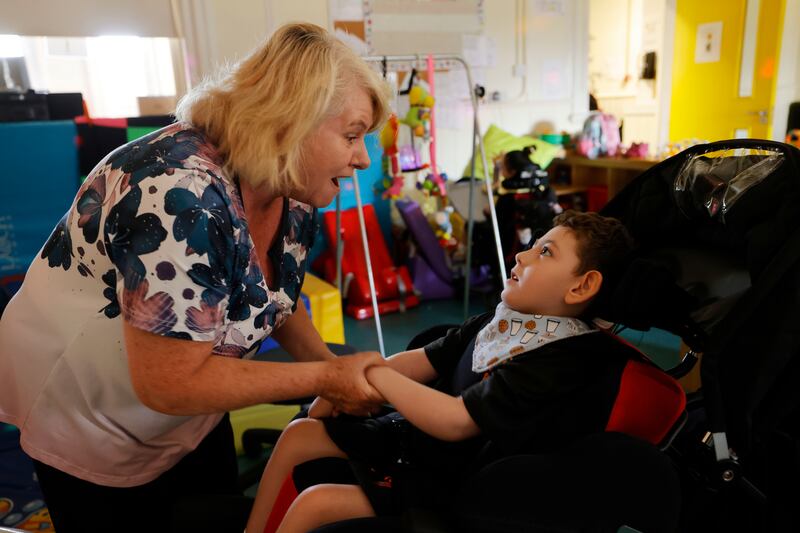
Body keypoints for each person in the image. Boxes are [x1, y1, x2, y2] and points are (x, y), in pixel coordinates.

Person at [0, 23, 391, 533]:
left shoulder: (290, 191)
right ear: (291, 120)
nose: (362, 157)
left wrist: (330, 372)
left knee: (207, 505)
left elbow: (270, 300)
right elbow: (169, 383)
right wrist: (324, 377)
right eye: (352, 135)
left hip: (192, 399)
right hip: (94, 410)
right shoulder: (177, 193)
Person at [246, 210, 638, 533]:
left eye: (546, 253)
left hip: (460, 481)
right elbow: (419, 361)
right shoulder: (502, 321)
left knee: (315, 504)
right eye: (533, 246)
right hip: (419, 446)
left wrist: (370, 373)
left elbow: (457, 422)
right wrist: (341, 382)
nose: (522, 256)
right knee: (300, 433)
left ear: (582, 287)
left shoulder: (560, 358)